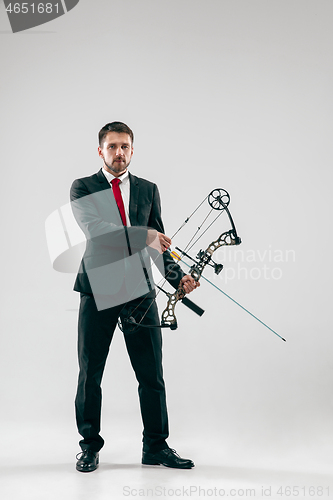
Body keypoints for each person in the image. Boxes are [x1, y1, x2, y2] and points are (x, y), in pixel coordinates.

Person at [70, 122, 199, 472]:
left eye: (125, 146)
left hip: (139, 291)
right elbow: (98, 234)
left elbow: (158, 247)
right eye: (112, 146)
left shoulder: (147, 189)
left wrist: (178, 279)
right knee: (90, 373)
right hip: (98, 290)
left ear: (132, 150)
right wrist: (146, 235)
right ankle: (89, 446)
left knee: (151, 374)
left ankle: (156, 447)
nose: (119, 152)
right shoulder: (83, 187)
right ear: (100, 151)